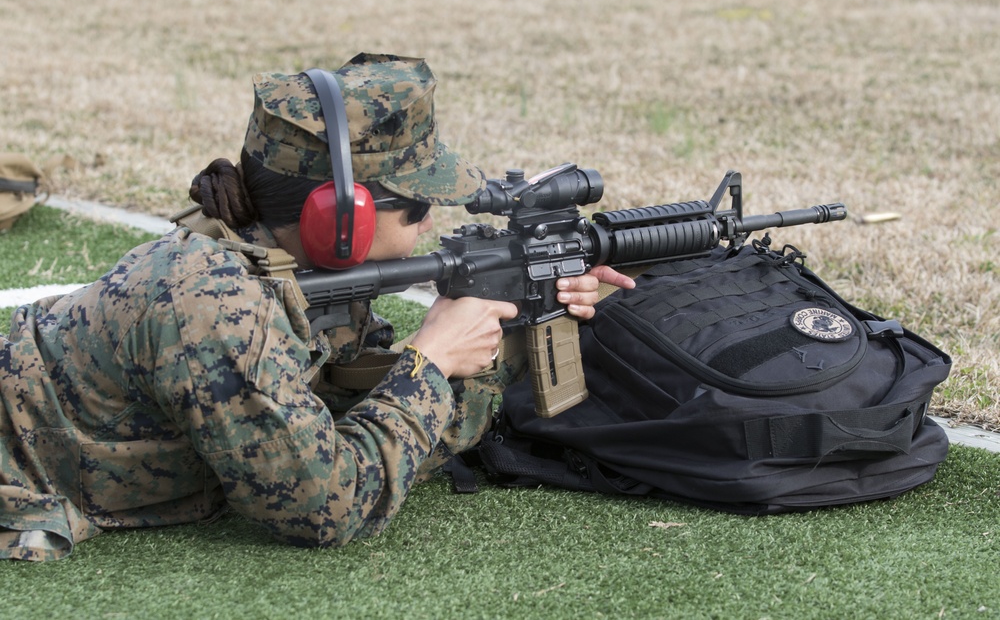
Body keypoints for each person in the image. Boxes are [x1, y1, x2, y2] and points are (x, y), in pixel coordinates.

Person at [0, 53, 634, 561]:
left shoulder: (284, 263)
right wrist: (430, 363)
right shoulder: (218, 306)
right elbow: (327, 506)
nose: (429, 222)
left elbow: (340, 414)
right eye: (416, 206)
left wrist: (517, 314)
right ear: (341, 217)